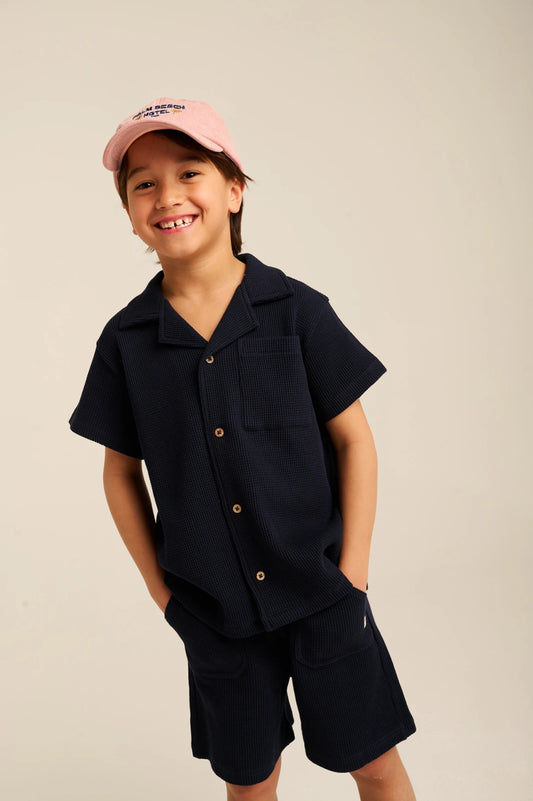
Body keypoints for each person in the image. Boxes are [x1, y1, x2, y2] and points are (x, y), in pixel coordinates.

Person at [68, 97, 417, 800]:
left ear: (233, 190)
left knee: (375, 764)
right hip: (213, 613)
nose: (167, 195)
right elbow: (119, 473)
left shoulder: (296, 310)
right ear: (130, 212)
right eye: (143, 183)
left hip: (321, 592)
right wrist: (164, 593)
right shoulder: (126, 341)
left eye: (189, 172)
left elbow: (354, 439)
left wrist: (351, 573)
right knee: (249, 780)